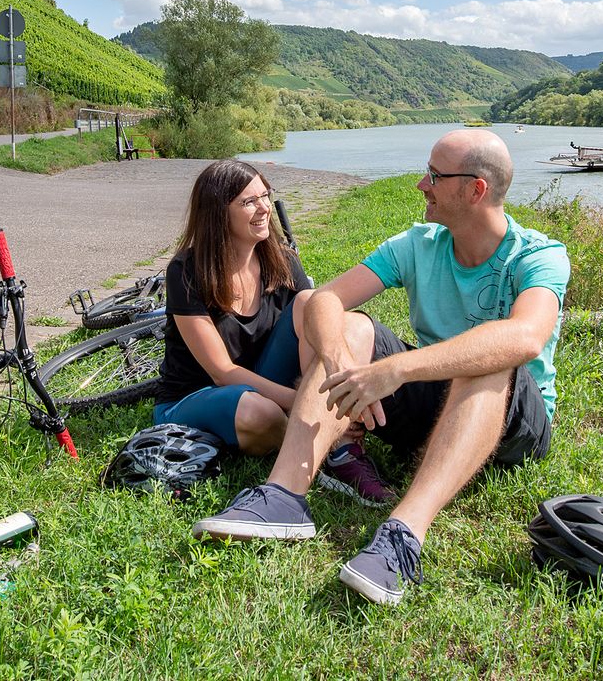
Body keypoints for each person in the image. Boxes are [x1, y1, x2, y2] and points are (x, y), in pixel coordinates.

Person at [191, 131, 570, 606]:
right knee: (348, 326)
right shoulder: (419, 244)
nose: (421, 184)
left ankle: (404, 535)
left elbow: (525, 337)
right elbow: (325, 298)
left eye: (435, 175)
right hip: (435, 409)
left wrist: (396, 370)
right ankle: (283, 497)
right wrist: (339, 360)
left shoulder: (538, 255)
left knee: (491, 354)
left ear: (474, 189)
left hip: (515, 427)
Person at [153, 160, 394, 504]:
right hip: (196, 394)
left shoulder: (280, 259)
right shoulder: (187, 271)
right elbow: (222, 373)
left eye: (266, 196)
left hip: (263, 381)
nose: (265, 207)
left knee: (311, 303)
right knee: (259, 413)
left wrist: (330, 397)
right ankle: (319, 442)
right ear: (218, 213)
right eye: (248, 201)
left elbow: (312, 327)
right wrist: (301, 404)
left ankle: (341, 449)